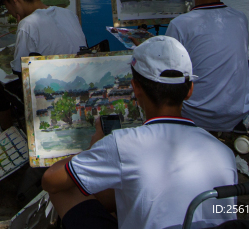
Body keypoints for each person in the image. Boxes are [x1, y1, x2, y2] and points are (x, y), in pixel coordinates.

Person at [41, 36, 237, 229]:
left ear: (136, 88)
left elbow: (50, 180)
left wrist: (94, 148)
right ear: (190, 90)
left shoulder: (123, 144)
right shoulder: (224, 152)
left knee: (67, 190)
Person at [0, 0, 88, 132]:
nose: (9, 12)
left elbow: (19, 72)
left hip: (51, 98)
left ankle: (7, 130)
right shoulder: (68, 14)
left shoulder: (28, 25)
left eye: (6, 6)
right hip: (80, 86)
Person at [165, 0, 249, 131]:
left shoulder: (180, 25)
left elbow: (168, 73)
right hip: (239, 112)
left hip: (197, 116)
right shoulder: (240, 18)